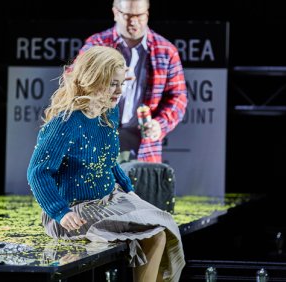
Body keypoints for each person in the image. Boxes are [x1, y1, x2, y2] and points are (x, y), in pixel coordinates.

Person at [27, 46, 184, 282]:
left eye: (121, 83)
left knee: (164, 227)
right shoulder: (66, 122)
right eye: (112, 84)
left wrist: (129, 190)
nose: (119, 91)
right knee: (153, 233)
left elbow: (109, 160)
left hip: (110, 199)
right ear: (93, 80)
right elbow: (37, 172)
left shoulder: (109, 113)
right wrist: (60, 212)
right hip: (75, 211)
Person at [78, 0, 187, 163]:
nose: (134, 21)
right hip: (99, 133)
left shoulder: (166, 51)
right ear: (115, 13)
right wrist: (104, 78)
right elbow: (74, 81)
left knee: (140, 188)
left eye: (140, 15)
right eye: (128, 15)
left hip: (144, 143)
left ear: (147, 14)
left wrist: (160, 124)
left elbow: (178, 97)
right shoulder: (96, 45)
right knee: (96, 187)